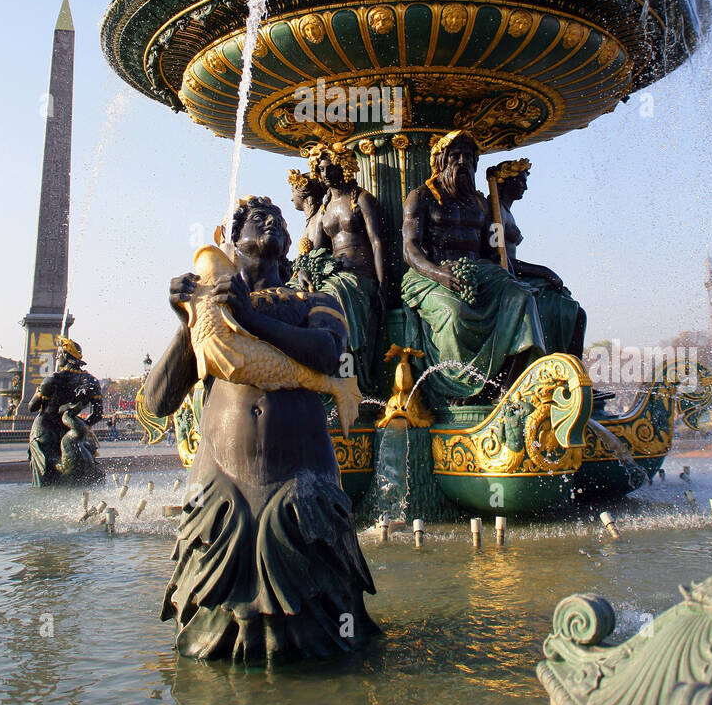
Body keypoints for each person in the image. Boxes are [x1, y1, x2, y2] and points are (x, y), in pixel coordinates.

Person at [145, 195, 379, 663]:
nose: (270, 222)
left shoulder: (317, 299)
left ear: (290, 242)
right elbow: (158, 401)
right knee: (215, 644)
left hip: (301, 479)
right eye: (257, 219)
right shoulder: (209, 312)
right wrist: (183, 324)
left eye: (278, 220)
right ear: (232, 240)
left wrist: (250, 318)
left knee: (325, 638)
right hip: (221, 489)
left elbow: (329, 354)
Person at [401, 130, 545, 406]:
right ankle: (458, 388)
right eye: (455, 156)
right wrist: (439, 273)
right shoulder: (420, 197)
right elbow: (410, 250)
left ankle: (507, 386)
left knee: (522, 298)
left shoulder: (482, 203)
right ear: (441, 161)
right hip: (428, 272)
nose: (462, 162)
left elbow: (494, 252)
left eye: (468, 157)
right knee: (455, 314)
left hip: (477, 269)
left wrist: (510, 279)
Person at [298, 143, 387, 396]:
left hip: (359, 277)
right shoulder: (324, 209)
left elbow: (378, 243)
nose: (324, 173)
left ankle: (350, 379)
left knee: (332, 299)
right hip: (332, 275)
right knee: (294, 297)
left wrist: (383, 285)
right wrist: (304, 272)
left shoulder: (362, 200)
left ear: (344, 166)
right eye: (320, 169)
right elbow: (316, 251)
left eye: (330, 167)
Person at [487, 160, 587, 358]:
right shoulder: (494, 212)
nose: (525, 186)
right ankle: (558, 362)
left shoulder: (506, 212)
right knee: (572, 312)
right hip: (506, 279)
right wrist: (544, 272)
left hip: (516, 275)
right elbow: (497, 257)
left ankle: (570, 366)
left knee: (573, 309)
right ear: (506, 181)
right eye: (521, 181)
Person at [27, 338, 103, 487]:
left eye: (58, 354)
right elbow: (97, 414)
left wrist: (39, 391)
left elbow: (32, 407)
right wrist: (82, 426)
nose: (56, 357)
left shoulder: (52, 379)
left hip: (46, 430)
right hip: (69, 428)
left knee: (45, 475)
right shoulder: (91, 381)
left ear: (65, 355)